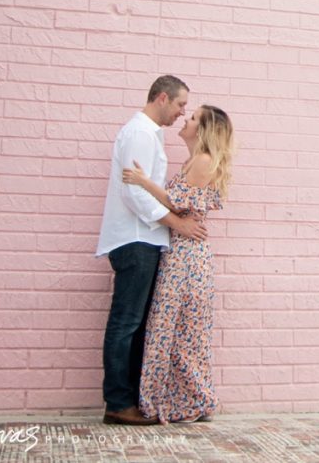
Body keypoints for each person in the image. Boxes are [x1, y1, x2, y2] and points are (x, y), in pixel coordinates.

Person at [96, 75, 208, 427]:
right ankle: (118, 402)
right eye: (179, 105)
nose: (181, 112)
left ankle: (131, 400)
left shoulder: (148, 134)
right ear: (162, 98)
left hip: (144, 239)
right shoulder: (140, 134)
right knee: (126, 323)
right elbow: (134, 193)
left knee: (134, 323)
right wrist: (178, 223)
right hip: (135, 239)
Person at [122, 104, 233, 424]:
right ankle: (186, 399)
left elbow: (174, 202)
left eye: (194, 118)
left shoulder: (202, 161)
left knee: (176, 331)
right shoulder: (193, 161)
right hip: (182, 254)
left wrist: (144, 182)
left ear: (204, 129)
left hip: (187, 258)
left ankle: (191, 400)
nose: (187, 119)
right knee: (174, 330)